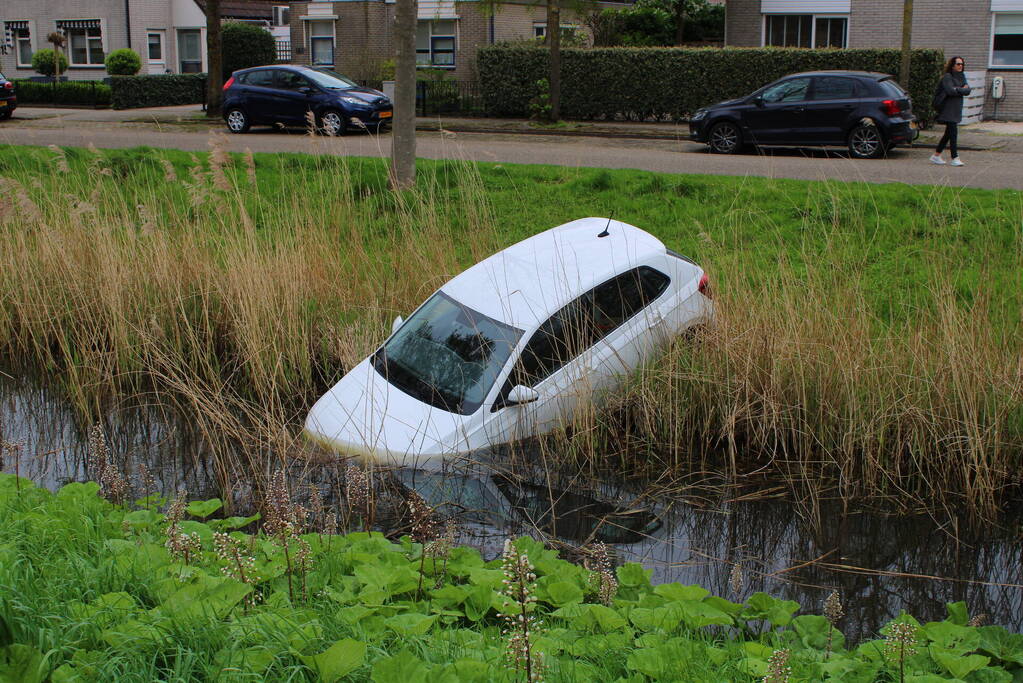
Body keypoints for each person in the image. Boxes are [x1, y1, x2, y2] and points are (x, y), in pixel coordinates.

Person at [930, 56, 971, 167]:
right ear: (952, 65)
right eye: (958, 64)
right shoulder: (947, 77)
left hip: (956, 108)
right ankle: (955, 157)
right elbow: (949, 91)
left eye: (962, 64)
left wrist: (957, 89)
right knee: (953, 133)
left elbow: (968, 90)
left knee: (948, 133)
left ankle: (936, 155)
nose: (960, 66)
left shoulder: (962, 76)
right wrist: (961, 89)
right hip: (947, 109)